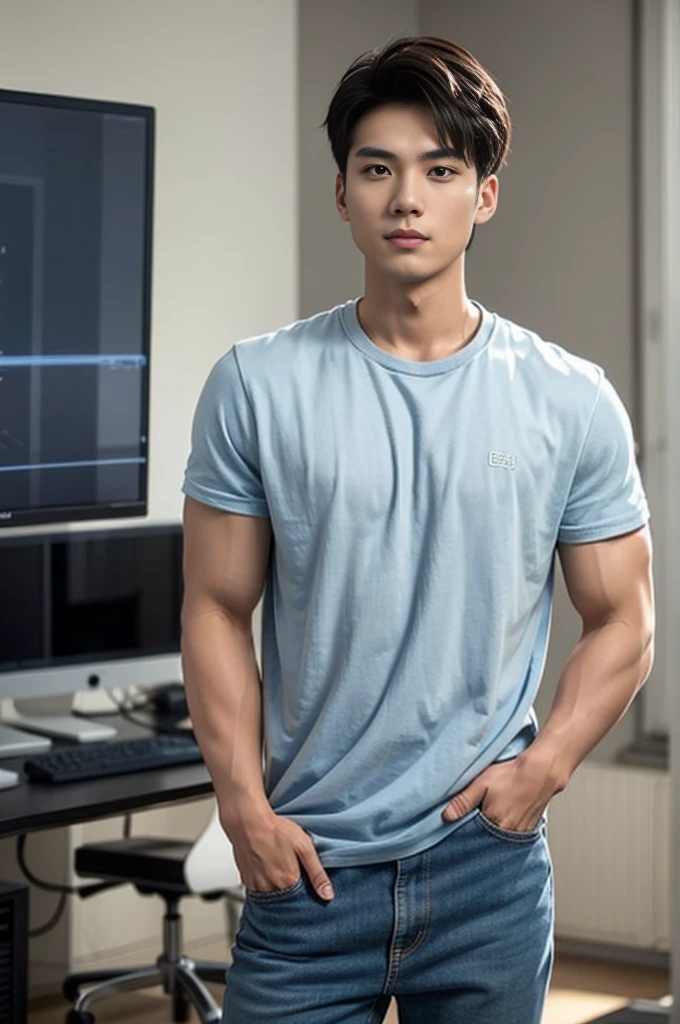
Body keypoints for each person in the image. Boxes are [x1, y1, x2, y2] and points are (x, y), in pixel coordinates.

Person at [180, 34, 654, 1024]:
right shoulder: (256, 385)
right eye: (377, 168)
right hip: (303, 872)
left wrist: (543, 767)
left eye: (439, 170)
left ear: (481, 195)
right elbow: (217, 607)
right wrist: (242, 812)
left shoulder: (569, 401)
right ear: (342, 192)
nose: (406, 198)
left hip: (484, 872)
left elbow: (622, 619)